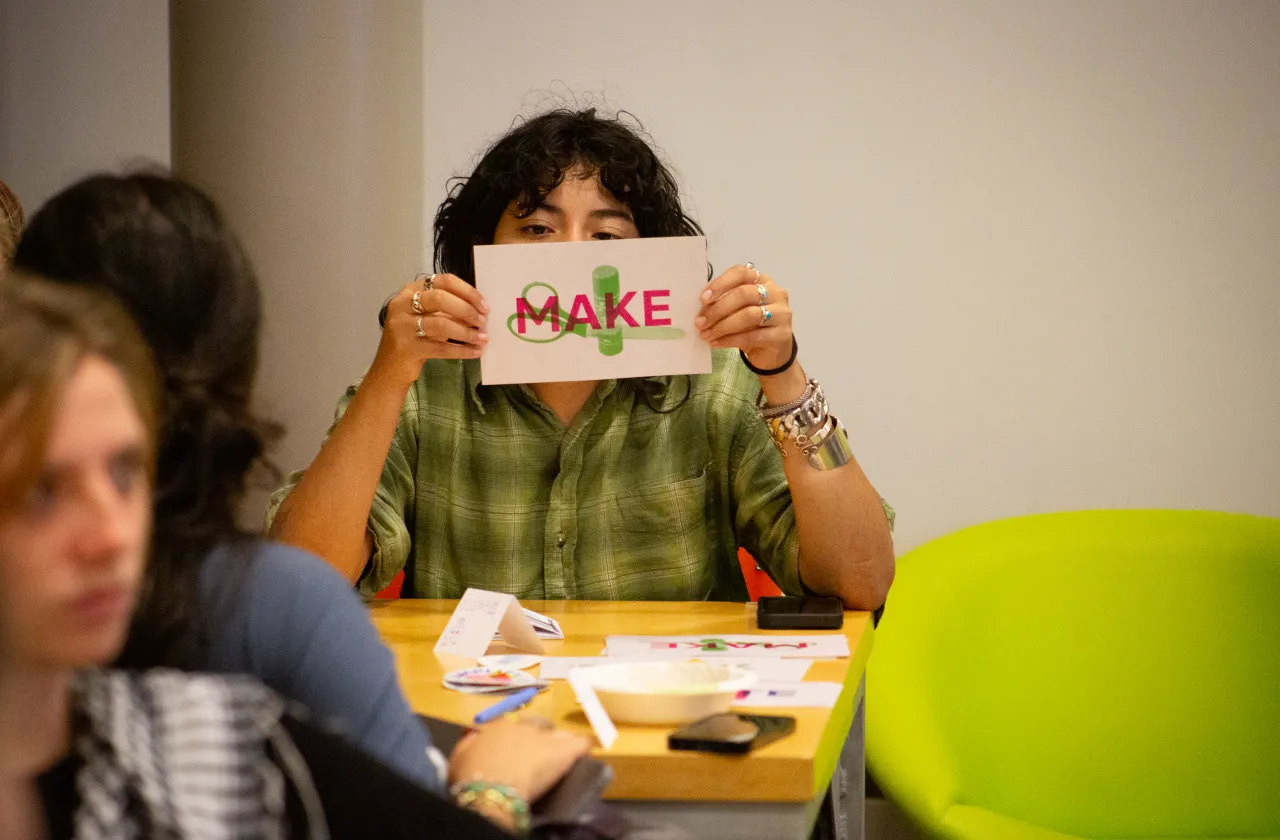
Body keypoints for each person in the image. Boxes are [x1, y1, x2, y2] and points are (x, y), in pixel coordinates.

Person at [11, 173, 588, 804]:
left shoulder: (260, 607)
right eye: (42, 487)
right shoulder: (270, 605)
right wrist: (492, 791)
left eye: (122, 470)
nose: (106, 536)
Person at [267, 107, 896, 608]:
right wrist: (388, 374)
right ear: (481, 253)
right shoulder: (425, 385)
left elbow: (860, 581)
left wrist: (782, 372)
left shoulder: (712, 384)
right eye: (538, 229)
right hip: (479, 726)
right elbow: (302, 584)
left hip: (672, 723)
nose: (571, 255)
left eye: (606, 235)